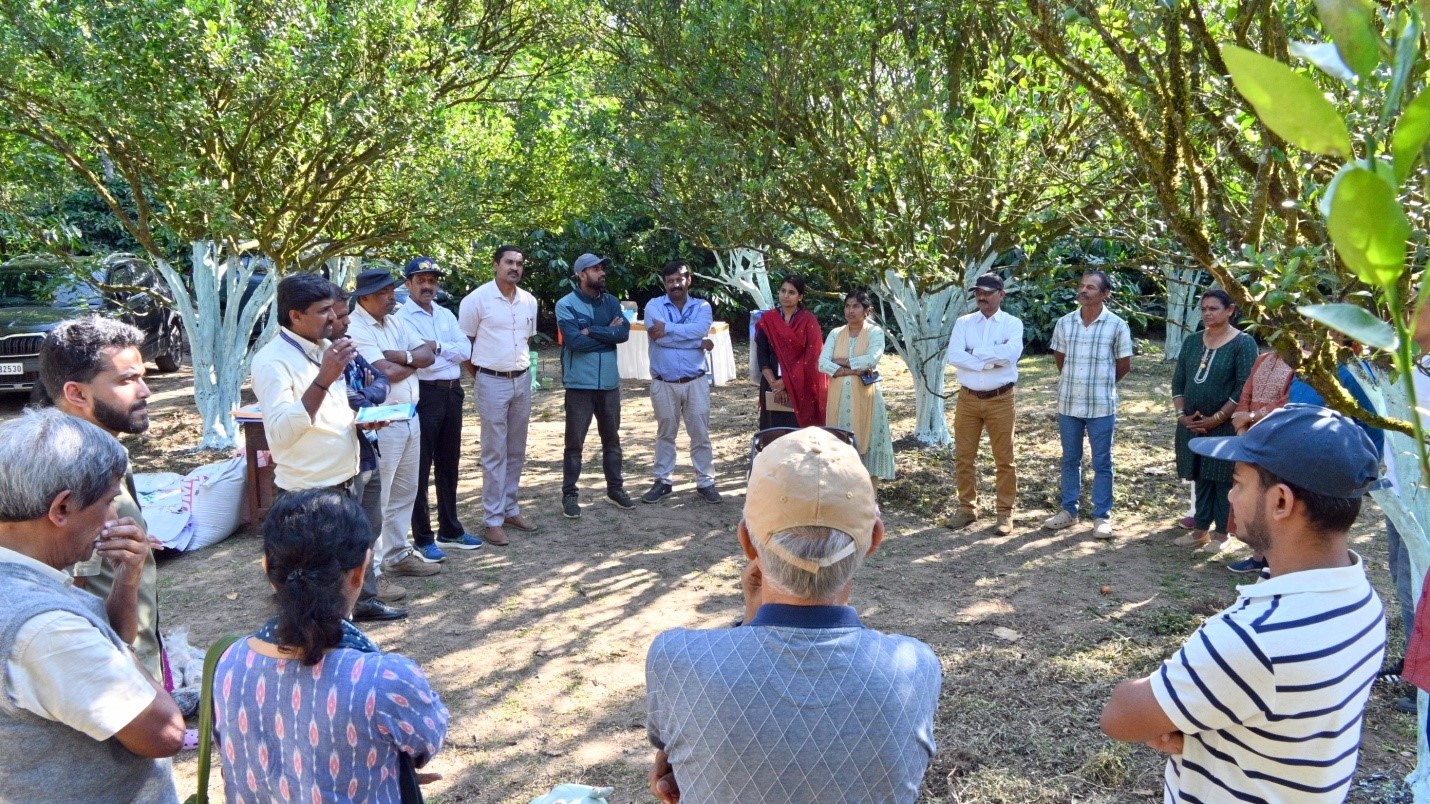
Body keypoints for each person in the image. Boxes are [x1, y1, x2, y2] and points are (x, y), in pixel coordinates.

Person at [1100, 404, 1385, 803]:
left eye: (1238, 481)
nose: (1230, 495)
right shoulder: (1360, 600)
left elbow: (1119, 717)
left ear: (1281, 502)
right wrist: (1201, 719)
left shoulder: (1254, 640)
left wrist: (1180, 710)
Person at [645, 427, 941, 803]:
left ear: (747, 542)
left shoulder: (677, 659)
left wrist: (750, 621)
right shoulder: (916, 666)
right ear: (875, 539)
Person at [213, 489, 448, 803]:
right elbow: (425, 742)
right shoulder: (387, 680)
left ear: (268, 567)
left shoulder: (228, 664)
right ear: (361, 571)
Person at [0, 408, 184, 802]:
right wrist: (129, 658)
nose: (114, 517)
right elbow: (165, 733)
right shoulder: (46, 631)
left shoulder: (27, 580)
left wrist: (127, 579)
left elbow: (99, 650)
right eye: (108, 502)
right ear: (61, 509)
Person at [250, 273, 406, 620]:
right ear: (294, 315)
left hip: (344, 483)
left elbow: (330, 412)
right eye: (323, 311)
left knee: (344, 584)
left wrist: (362, 421)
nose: (334, 319)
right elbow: (281, 433)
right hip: (309, 496)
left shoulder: (322, 348)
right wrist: (324, 378)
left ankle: (352, 623)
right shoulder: (272, 361)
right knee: (318, 595)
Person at [36, 316, 166, 677]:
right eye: (127, 380)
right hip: (115, 680)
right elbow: (70, 595)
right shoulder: (72, 471)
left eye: (142, 376)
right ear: (76, 393)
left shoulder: (102, 453)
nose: (145, 392)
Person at [347, 268, 440, 578]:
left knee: (405, 491)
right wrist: (410, 361)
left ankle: (398, 554)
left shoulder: (394, 319)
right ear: (366, 296)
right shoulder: (357, 328)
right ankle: (372, 571)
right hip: (382, 422)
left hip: (410, 415)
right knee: (379, 498)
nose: (392, 296)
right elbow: (382, 374)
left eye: (392, 289)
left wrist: (403, 358)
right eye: (385, 291)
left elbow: (428, 354)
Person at [329, 290, 408, 616]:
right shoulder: (321, 357)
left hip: (368, 449)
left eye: (346, 316)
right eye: (338, 317)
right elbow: (355, 399)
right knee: (347, 535)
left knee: (369, 530)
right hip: (343, 457)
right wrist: (367, 393)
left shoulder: (348, 348)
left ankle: (366, 599)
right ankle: (341, 606)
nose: (345, 323)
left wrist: (367, 393)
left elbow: (381, 383)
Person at [397, 256, 480, 557]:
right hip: (425, 394)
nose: (428, 286)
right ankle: (422, 538)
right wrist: (439, 352)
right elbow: (424, 362)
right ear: (408, 284)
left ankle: (450, 530)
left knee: (449, 463)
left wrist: (439, 346)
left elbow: (466, 349)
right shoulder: (401, 318)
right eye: (421, 281)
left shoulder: (445, 314)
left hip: (452, 393)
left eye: (432, 280)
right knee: (419, 467)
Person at [458, 245, 540, 546]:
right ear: (495, 265)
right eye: (508, 262)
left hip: (521, 380)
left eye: (519, 263)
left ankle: (510, 509)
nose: (514, 268)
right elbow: (464, 344)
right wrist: (481, 376)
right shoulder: (476, 300)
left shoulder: (529, 301)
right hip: (490, 380)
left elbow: (525, 341)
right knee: (494, 453)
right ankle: (492, 519)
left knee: (517, 450)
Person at [1043, 271, 1133, 539]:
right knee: (1070, 459)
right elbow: (1060, 360)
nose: (1084, 291)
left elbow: (1124, 364)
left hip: (1101, 406)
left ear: (1105, 294)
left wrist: (1102, 384)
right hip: (1069, 403)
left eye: (1091, 287)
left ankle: (1102, 517)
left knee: (1102, 461)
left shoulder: (1117, 325)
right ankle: (1069, 511)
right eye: (1081, 285)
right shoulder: (1065, 323)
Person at [1170, 289, 1256, 551]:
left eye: (1213, 308)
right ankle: (1199, 530)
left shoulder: (1243, 343)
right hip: (1192, 425)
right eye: (1204, 308)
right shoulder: (1193, 341)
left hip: (1223, 427)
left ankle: (1221, 534)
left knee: (1220, 477)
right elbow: (1179, 379)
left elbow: (1243, 386)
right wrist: (1182, 416)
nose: (1207, 313)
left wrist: (1216, 419)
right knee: (1200, 475)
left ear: (1230, 310)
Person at [944, 275, 1023, 534]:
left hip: (1001, 398)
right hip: (967, 398)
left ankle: (1004, 514)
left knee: (1004, 459)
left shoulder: (1012, 324)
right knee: (964, 457)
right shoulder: (964, 323)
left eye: (988, 292)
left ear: (1002, 294)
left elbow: (1011, 355)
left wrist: (974, 354)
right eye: (978, 292)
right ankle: (967, 509)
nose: (982, 297)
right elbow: (954, 355)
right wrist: (989, 358)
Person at [556, 252, 632, 518]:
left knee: (612, 440)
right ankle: (569, 495)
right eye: (595, 269)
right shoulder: (565, 304)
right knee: (574, 443)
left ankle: (615, 489)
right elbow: (574, 342)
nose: (602, 273)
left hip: (609, 384)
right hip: (579, 384)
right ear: (581, 274)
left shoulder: (611, 302)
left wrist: (591, 330)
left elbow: (622, 334)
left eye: (602, 268)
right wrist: (605, 333)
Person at [642, 260, 721, 505]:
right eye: (670, 281)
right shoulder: (653, 305)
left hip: (695, 380)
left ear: (689, 280)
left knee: (700, 433)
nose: (675, 284)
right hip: (664, 382)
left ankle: (705, 482)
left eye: (680, 279)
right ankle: (663, 481)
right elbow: (662, 338)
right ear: (665, 283)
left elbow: (698, 329)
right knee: (666, 433)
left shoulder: (703, 306)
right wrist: (697, 342)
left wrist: (671, 331)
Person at [819, 290, 895, 482]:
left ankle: (869, 497)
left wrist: (840, 363)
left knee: (867, 440)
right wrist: (852, 369)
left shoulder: (875, 332)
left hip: (866, 397)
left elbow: (871, 359)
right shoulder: (836, 333)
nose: (850, 310)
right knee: (838, 440)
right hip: (838, 396)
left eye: (856, 306)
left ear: (866, 310)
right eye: (847, 306)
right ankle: (841, 494)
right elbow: (822, 363)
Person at [754, 276, 827, 429]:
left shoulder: (808, 321)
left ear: (800, 297)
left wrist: (786, 382)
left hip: (801, 384)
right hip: (771, 382)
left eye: (792, 292)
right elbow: (762, 356)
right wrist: (775, 384)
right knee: (773, 432)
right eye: (783, 291)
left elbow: (812, 357)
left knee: (798, 433)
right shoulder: (768, 320)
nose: (786, 296)